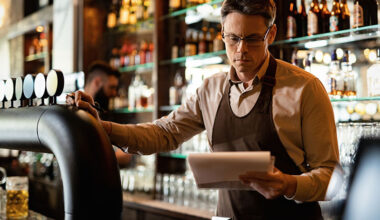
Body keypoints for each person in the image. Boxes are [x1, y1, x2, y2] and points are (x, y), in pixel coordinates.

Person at [68, 1, 339, 219]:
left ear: (271, 34)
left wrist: (290, 185)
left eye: (253, 39)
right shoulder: (211, 89)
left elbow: (331, 176)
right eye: (233, 38)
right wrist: (103, 128)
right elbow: (164, 133)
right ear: (221, 33)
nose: (241, 50)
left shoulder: (305, 89)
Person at [84, 61, 132, 168]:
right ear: (97, 82)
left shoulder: (100, 110)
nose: (114, 93)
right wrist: (115, 157)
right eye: (111, 87)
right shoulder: (78, 111)